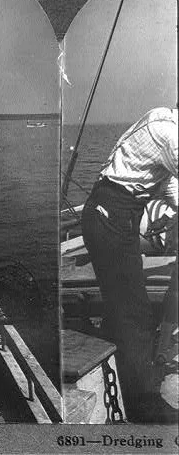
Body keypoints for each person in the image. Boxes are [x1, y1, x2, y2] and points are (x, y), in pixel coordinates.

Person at [80, 106, 178, 423]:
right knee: (135, 313)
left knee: (123, 307)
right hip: (113, 216)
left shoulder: (162, 120)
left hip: (110, 213)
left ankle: (123, 375)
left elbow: (169, 182)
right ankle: (143, 405)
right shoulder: (170, 133)